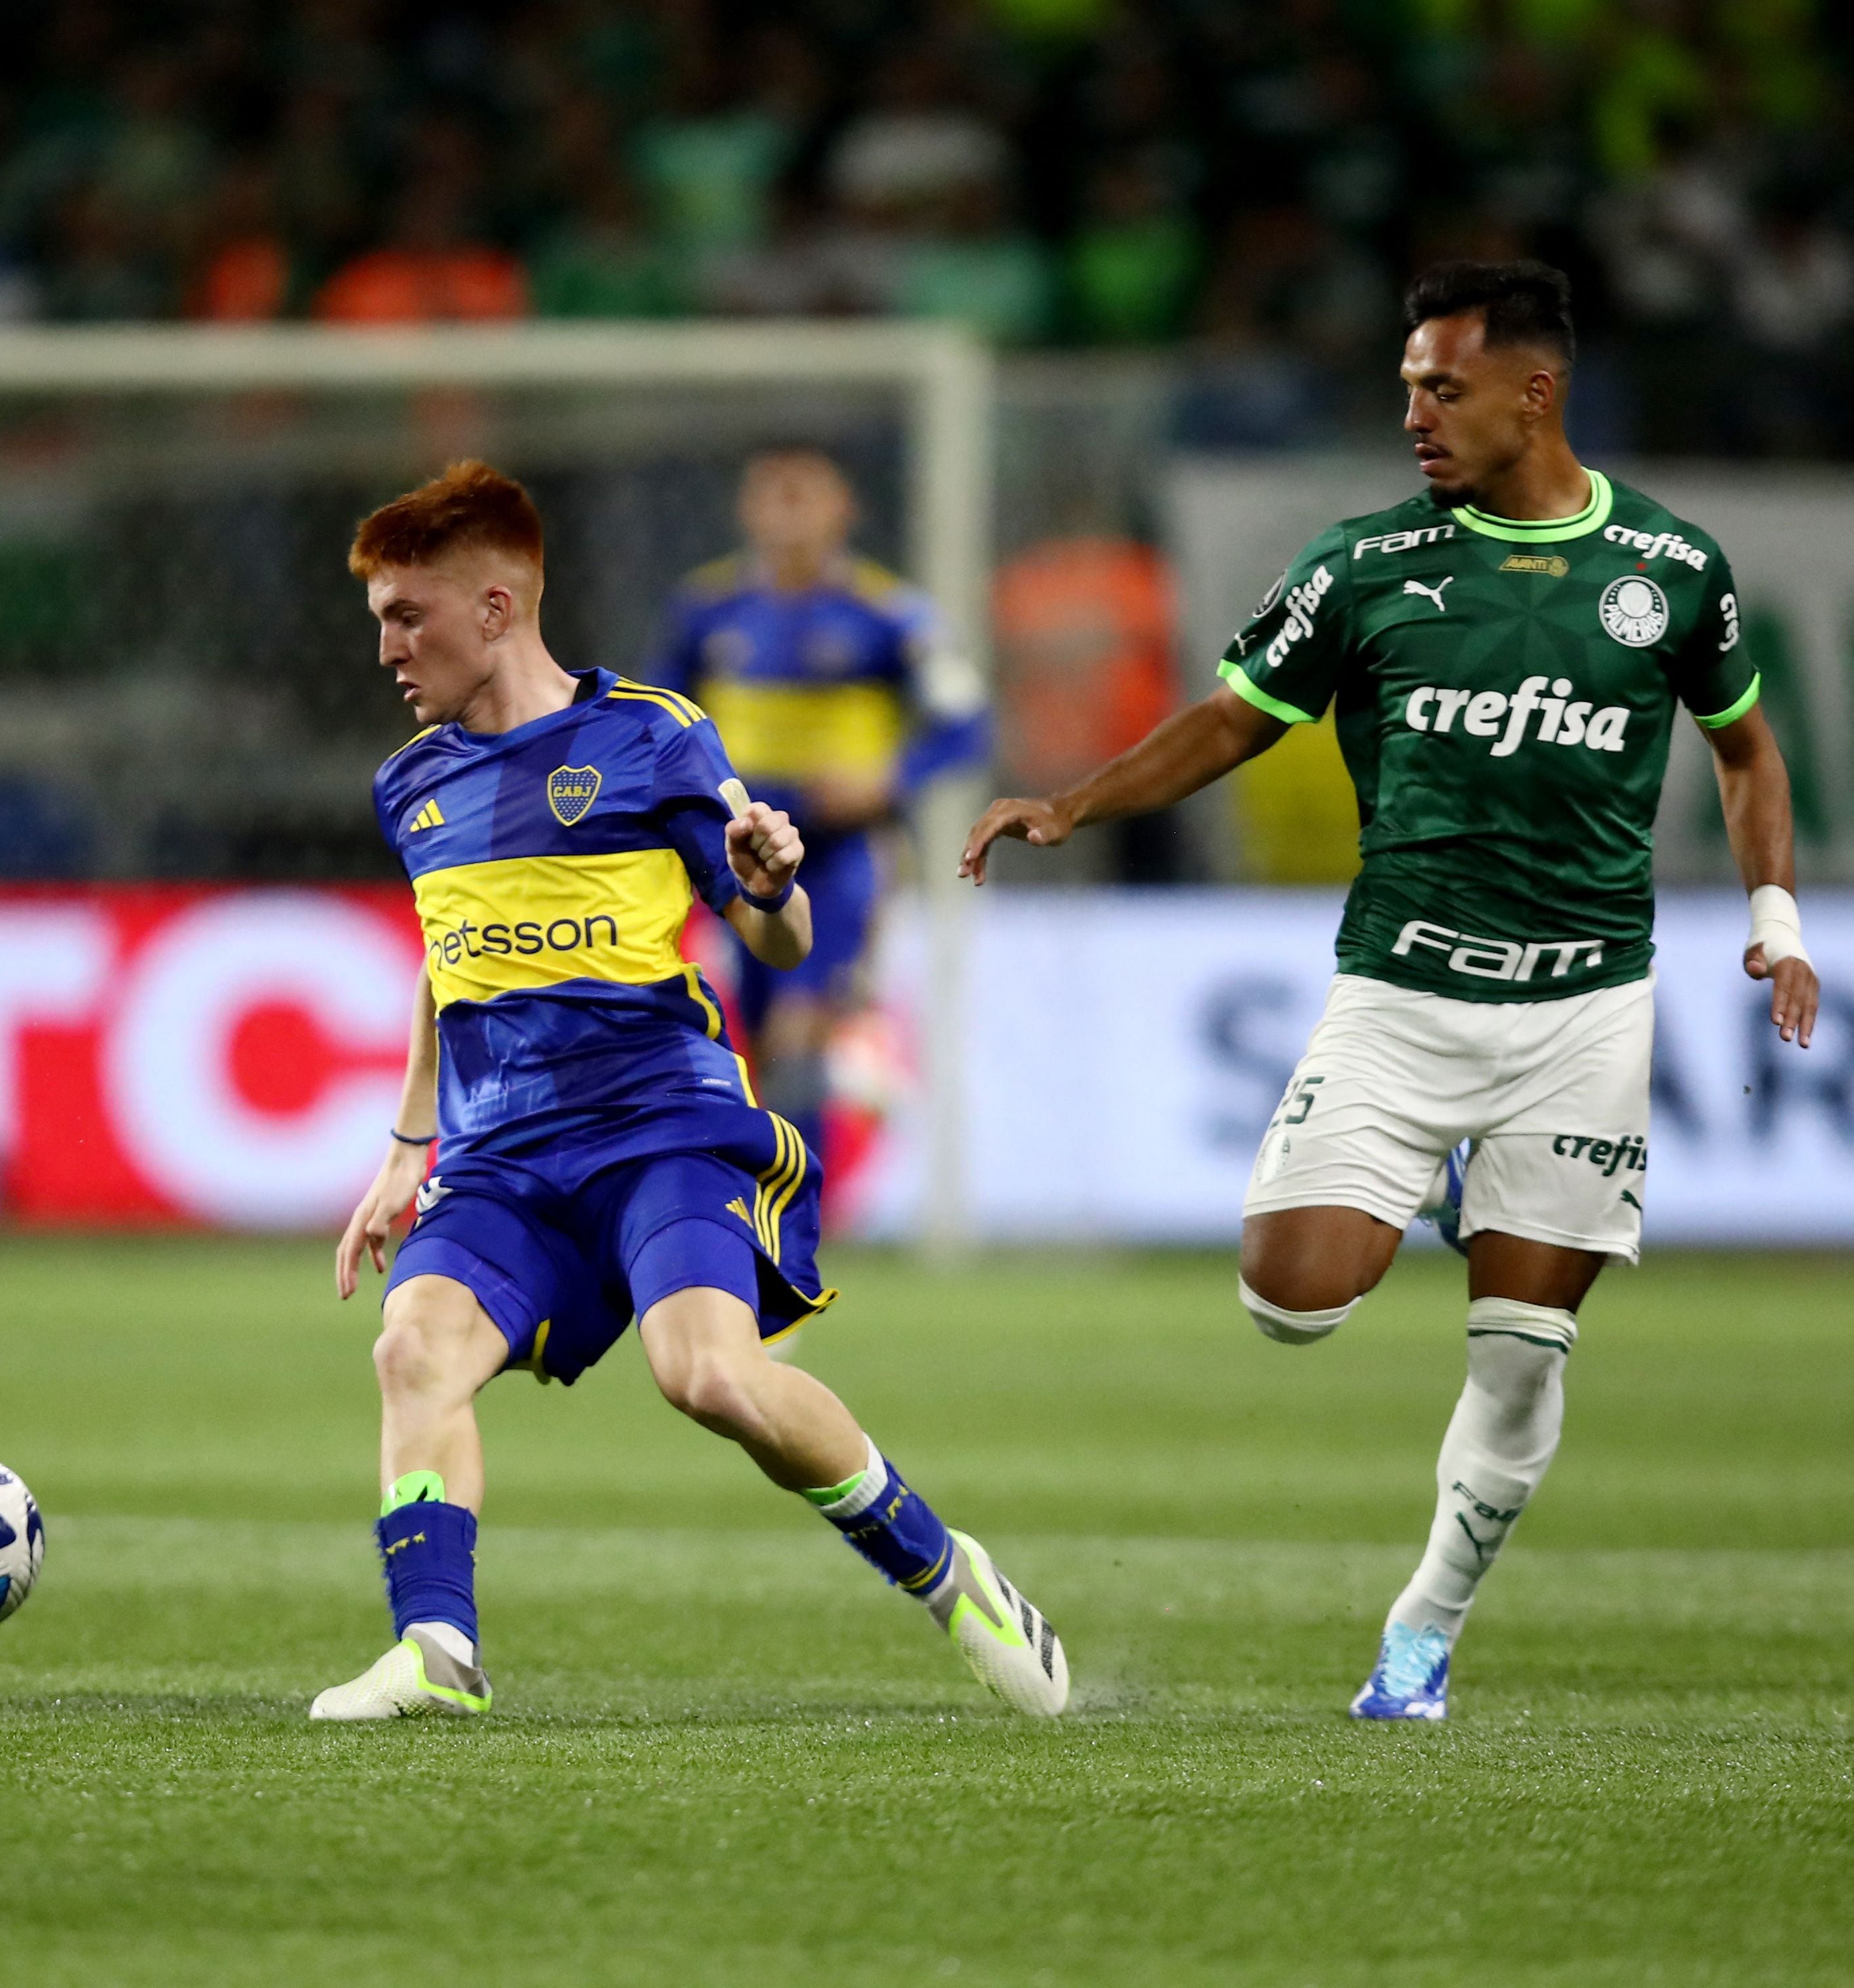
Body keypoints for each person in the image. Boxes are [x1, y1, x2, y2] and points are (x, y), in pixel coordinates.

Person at [962, 260, 1820, 1721]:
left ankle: (1421, 1633)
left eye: (1445, 385)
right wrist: (1073, 804)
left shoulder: (1670, 571)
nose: (1414, 411)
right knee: (1288, 1299)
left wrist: (1777, 916)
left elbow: (1744, 747)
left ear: (1535, 393)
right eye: (1408, 384)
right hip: (1404, 994)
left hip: (1586, 1010)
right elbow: (1236, 715)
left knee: (1516, 1358)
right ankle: (1437, 1187)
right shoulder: (1366, 567)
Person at [319, 460, 1066, 1722]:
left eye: (410, 616)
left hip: (660, 1125)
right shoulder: (412, 784)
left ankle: (955, 1575)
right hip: (504, 1154)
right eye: (380, 619)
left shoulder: (651, 735)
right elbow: (448, 965)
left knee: (708, 1377)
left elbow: (775, 938)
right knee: (413, 1345)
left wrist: (770, 886)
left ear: (496, 609)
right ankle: (438, 1650)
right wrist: (407, 1143)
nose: (388, 647)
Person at [653, 446, 987, 1163]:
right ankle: (792, 1185)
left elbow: (965, 727)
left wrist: (888, 779)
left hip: (843, 850)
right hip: (738, 851)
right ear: (748, 511)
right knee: (766, 1034)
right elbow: (657, 717)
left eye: (808, 497)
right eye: (776, 496)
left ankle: (797, 1223)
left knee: (803, 1025)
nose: (791, 516)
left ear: (845, 511)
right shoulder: (706, 609)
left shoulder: (892, 615)